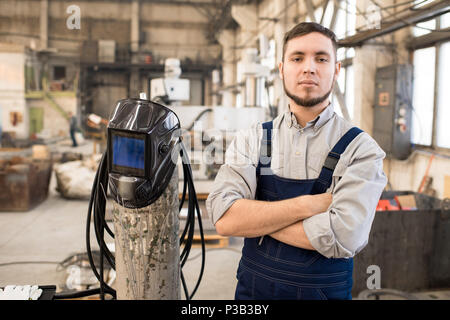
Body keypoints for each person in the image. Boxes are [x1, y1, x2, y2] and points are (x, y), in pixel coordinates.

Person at [206, 22, 387, 300]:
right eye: (297, 58)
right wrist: (308, 206)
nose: (309, 68)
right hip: (253, 294)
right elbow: (224, 219)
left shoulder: (361, 150)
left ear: (336, 70)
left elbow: (343, 236)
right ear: (282, 69)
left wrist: (258, 219)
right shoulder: (253, 139)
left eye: (322, 58)